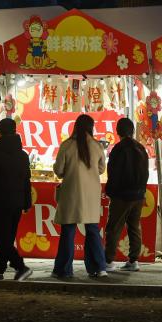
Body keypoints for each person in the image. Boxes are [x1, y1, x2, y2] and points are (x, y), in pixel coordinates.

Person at [52, 114, 107, 279]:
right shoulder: (97, 146)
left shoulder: (67, 145)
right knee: (92, 230)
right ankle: (99, 267)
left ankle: (64, 270)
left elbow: (59, 170)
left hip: (71, 193)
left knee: (68, 230)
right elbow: (101, 169)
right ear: (91, 127)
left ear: (75, 127)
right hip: (91, 194)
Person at [0, 118, 33, 281]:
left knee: (0, 238)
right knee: (7, 238)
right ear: (15, 132)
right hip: (17, 202)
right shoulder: (23, 155)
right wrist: (27, 202)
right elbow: (26, 181)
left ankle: (20, 266)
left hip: (0, 202)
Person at [103, 118, 149, 272]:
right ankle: (133, 260)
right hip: (138, 195)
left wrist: (110, 192)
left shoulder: (118, 149)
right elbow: (146, 172)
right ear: (133, 131)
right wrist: (141, 190)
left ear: (118, 131)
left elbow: (113, 173)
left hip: (121, 196)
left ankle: (108, 260)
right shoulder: (141, 148)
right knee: (134, 227)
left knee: (114, 227)